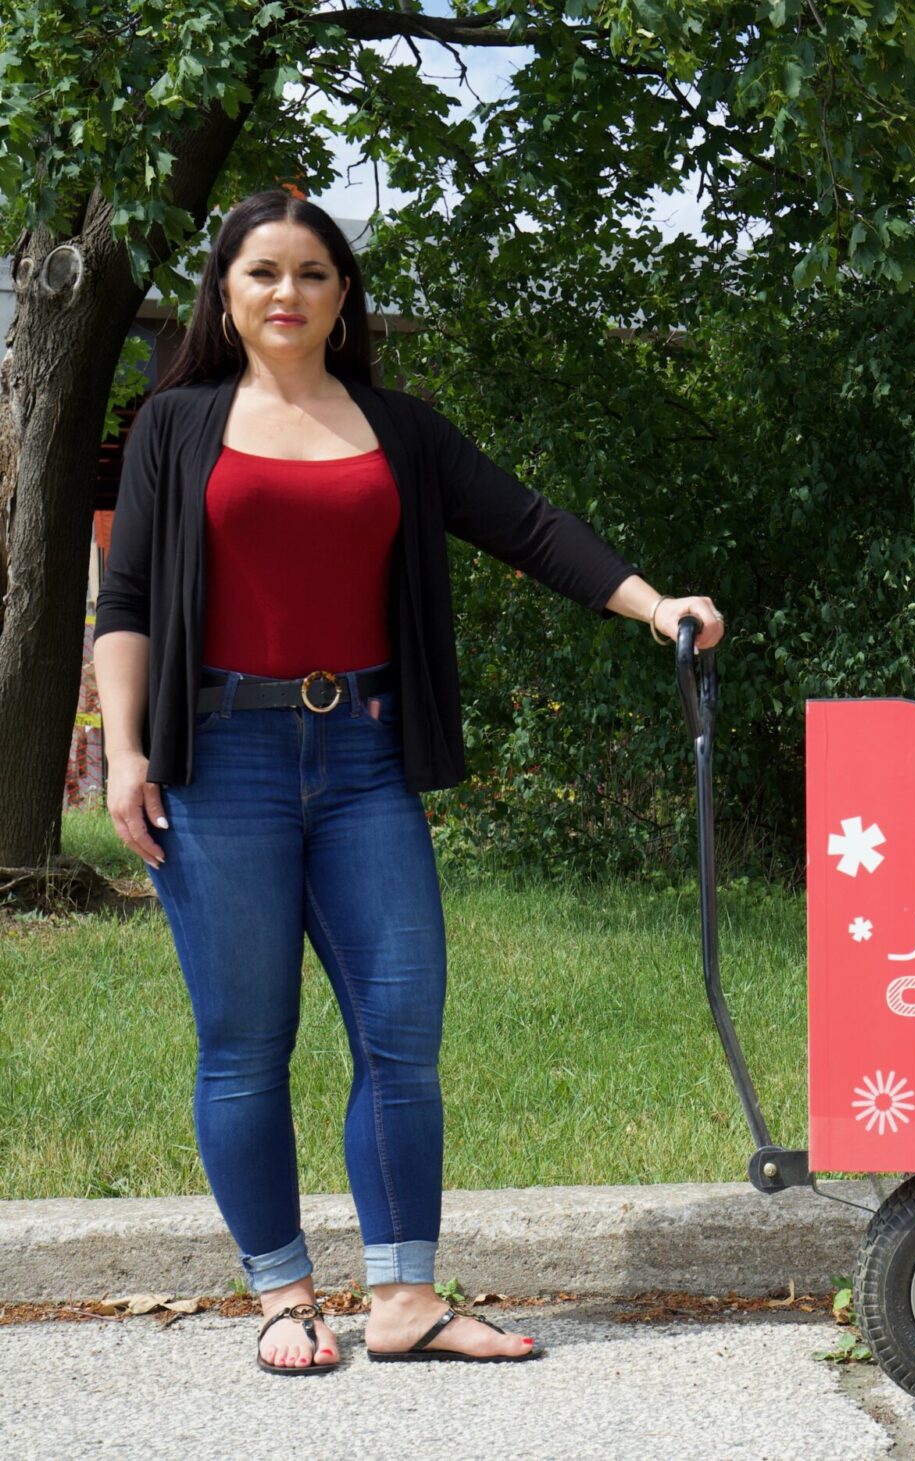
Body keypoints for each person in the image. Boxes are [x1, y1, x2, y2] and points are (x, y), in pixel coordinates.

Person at [91, 189, 724, 1375]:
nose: (287, 292)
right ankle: (283, 1296)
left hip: (365, 761)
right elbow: (124, 604)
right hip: (219, 764)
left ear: (344, 294)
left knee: (400, 1032)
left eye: (312, 272)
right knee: (245, 1043)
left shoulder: (398, 429)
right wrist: (126, 754)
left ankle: (403, 1299)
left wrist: (655, 606)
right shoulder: (175, 425)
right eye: (263, 272)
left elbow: (528, 524)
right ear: (224, 293)